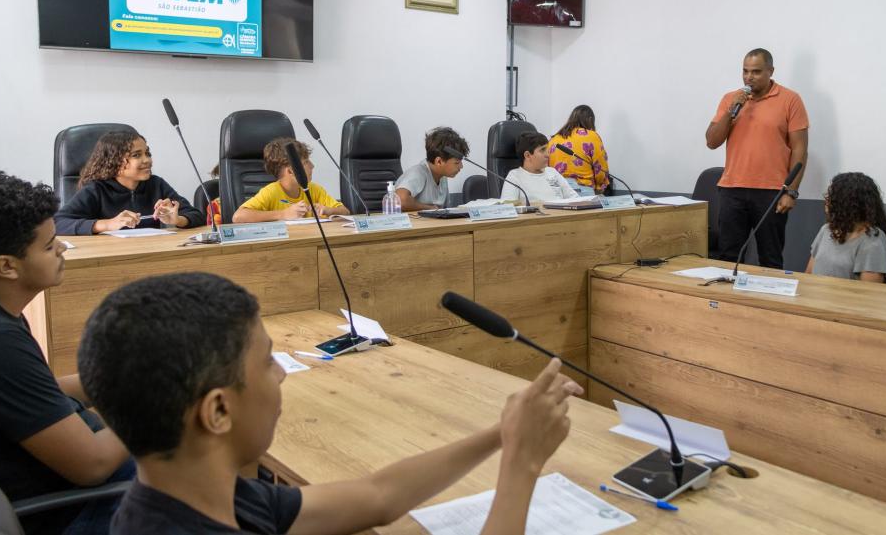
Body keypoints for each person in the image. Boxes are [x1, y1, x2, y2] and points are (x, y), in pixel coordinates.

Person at [77, 272, 582, 535]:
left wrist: (501, 434)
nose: (281, 374)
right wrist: (522, 465)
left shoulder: (196, 494)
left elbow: (378, 496)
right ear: (218, 412)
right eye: (268, 362)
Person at [0, 172, 132, 535]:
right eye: (50, 245)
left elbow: (38, 394)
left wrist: (123, 376)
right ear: (7, 266)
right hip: (79, 509)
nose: (63, 248)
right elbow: (94, 466)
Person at [705, 48, 809, 269]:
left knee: (770, 259)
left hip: (772, 192)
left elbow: (800, 149)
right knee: (728, 257)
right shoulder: (731, 99)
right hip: (732, 189)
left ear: (771, 71)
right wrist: (731, 111)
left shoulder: (790, 99)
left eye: (756, 72)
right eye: (745, 71)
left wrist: (791, 191)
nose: (748, 77)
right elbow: (712, 141)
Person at [54, 131, 203, 235]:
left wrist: (178, 220)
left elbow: (197, 215)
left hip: (149, 254)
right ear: (114, 162)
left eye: (147, 153)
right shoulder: (96, 189)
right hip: (108, 259)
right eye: (136, 155)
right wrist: (107, 224)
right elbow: (57, 223)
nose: (147, 160)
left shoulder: (156, 184)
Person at [232, 138, 349, 222]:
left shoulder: (314, 189)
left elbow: (345, 212)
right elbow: (238, 217)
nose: (312, 166)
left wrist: (328, 210)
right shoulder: (271, 192)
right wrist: (283, 214)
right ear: (290, 171)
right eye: (306, 162)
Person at [806, 172, 886, 282]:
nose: (826, 200)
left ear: (848, 203)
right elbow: (808, 275)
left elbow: (870, 290)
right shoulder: (826, 230)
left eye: (832, 196)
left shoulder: (872, 241)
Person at [395, 127, 468, 211]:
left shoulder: (442, 177)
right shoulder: (418, 172)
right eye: (457, 163)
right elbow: (399, 201)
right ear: (439, 162)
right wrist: (431, 208)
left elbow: (445, 209)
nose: (461, 166)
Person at [547, 105, 611, 195]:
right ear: (590, 119)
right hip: (582, 190)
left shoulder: (554, 139)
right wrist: (600, 186)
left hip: (557, 190)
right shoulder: (592, 136)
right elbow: (600, 166)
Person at [501, 132, 580, 205]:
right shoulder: (514, 177)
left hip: (561, 215)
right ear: (527, 155)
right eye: (542, 150)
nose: (548, 155)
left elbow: (575, 199)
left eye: (547, 150)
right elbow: (507, 208)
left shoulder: (552, 172)